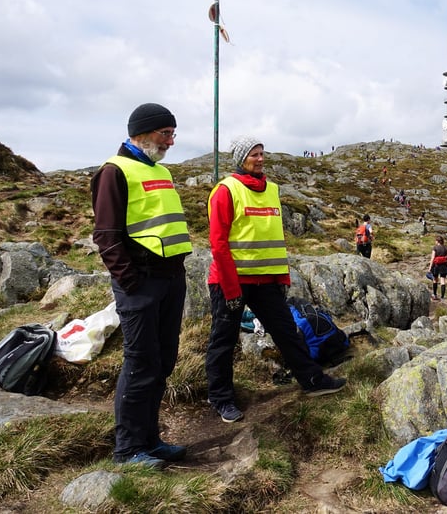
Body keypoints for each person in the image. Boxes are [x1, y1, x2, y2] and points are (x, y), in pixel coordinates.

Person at [205, 137, 346, 423]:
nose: (260, 159)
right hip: (230, 281)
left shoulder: (271, 190)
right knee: (224, 339)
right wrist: (231, 289)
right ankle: (220, 398)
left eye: (261, 153)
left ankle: (312, 381)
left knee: (286, 332)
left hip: (266, 281)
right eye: (253, 154)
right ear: (241, 159)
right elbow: (218, 244)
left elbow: (275, 239)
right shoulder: (225, 191)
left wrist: (282, 277)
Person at [91, 102, 192, 469]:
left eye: (172, 134)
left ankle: (149, 440)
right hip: (142, 283)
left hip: (170, 280)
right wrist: (131, 282)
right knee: (140, 362)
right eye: (166, 134)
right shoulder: (113, 172)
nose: (171, 141)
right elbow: (106, 236)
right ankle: (127, 449)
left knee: (163, 360)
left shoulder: (160, 170)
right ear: (144, 132)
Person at [428, 235, 447, 301]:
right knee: (443, 281)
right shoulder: (446, 248)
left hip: (436, 266)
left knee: (435, 279)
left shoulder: (435, 248)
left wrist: (430, 268)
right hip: (444, 266)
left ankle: (435, 295)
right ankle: (442, 297)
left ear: (437, 241)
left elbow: (432, 258)